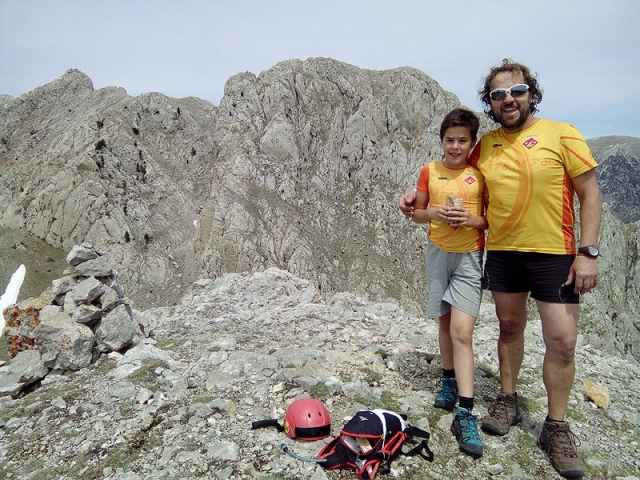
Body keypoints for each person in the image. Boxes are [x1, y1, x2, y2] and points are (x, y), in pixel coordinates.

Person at [399, 59, 601, 478]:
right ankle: (507, 400)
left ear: (531, 93)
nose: (508, 99)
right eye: (498, 94)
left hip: (556, 253)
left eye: (517, 91)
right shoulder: (485, 144)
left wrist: (588, 252)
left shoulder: (562, 133)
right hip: (504, 251)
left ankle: (556, 426)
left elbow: (590, 194)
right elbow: (453, 167)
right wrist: (414, 199)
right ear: (490, 102)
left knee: (562, 342)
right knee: (509, 328)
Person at [411, 108, 487, 456]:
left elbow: (491, 219)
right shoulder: (430, 171)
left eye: (462, 141)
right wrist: (433, 213)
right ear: (441, 141)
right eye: (449, 140)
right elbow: (417, 213)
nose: (455, 147)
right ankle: (448, 380)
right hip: (438, 253)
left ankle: (466, 411)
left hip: (469, 257)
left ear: (472, 143)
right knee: (444, 323)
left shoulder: (480, 175)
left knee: (462, 332)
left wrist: (471, 219)